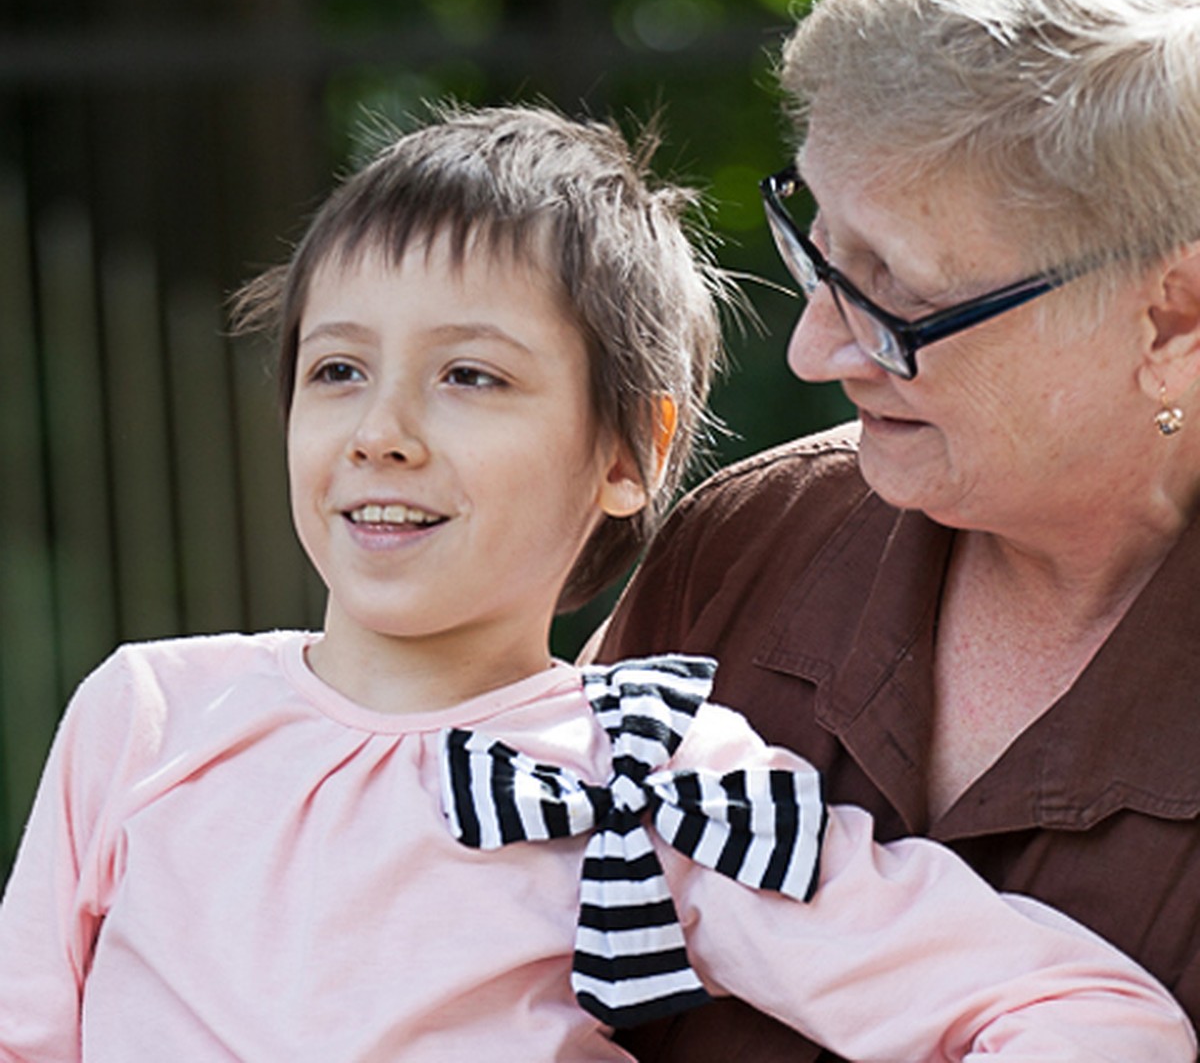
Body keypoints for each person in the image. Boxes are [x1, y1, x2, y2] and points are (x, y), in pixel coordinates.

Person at [0, 105, 1193, 1063]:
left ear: (630, 455)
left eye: (470, 375)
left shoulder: (654, 778)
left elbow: (1083, 1017)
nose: (382, 430)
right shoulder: (145, 716)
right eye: (338, 369)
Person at [593, 0, 1200, 1062]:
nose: (819, 346)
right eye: (817, 249)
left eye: (899, 297)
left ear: (1173, 318)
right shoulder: (750, 543)